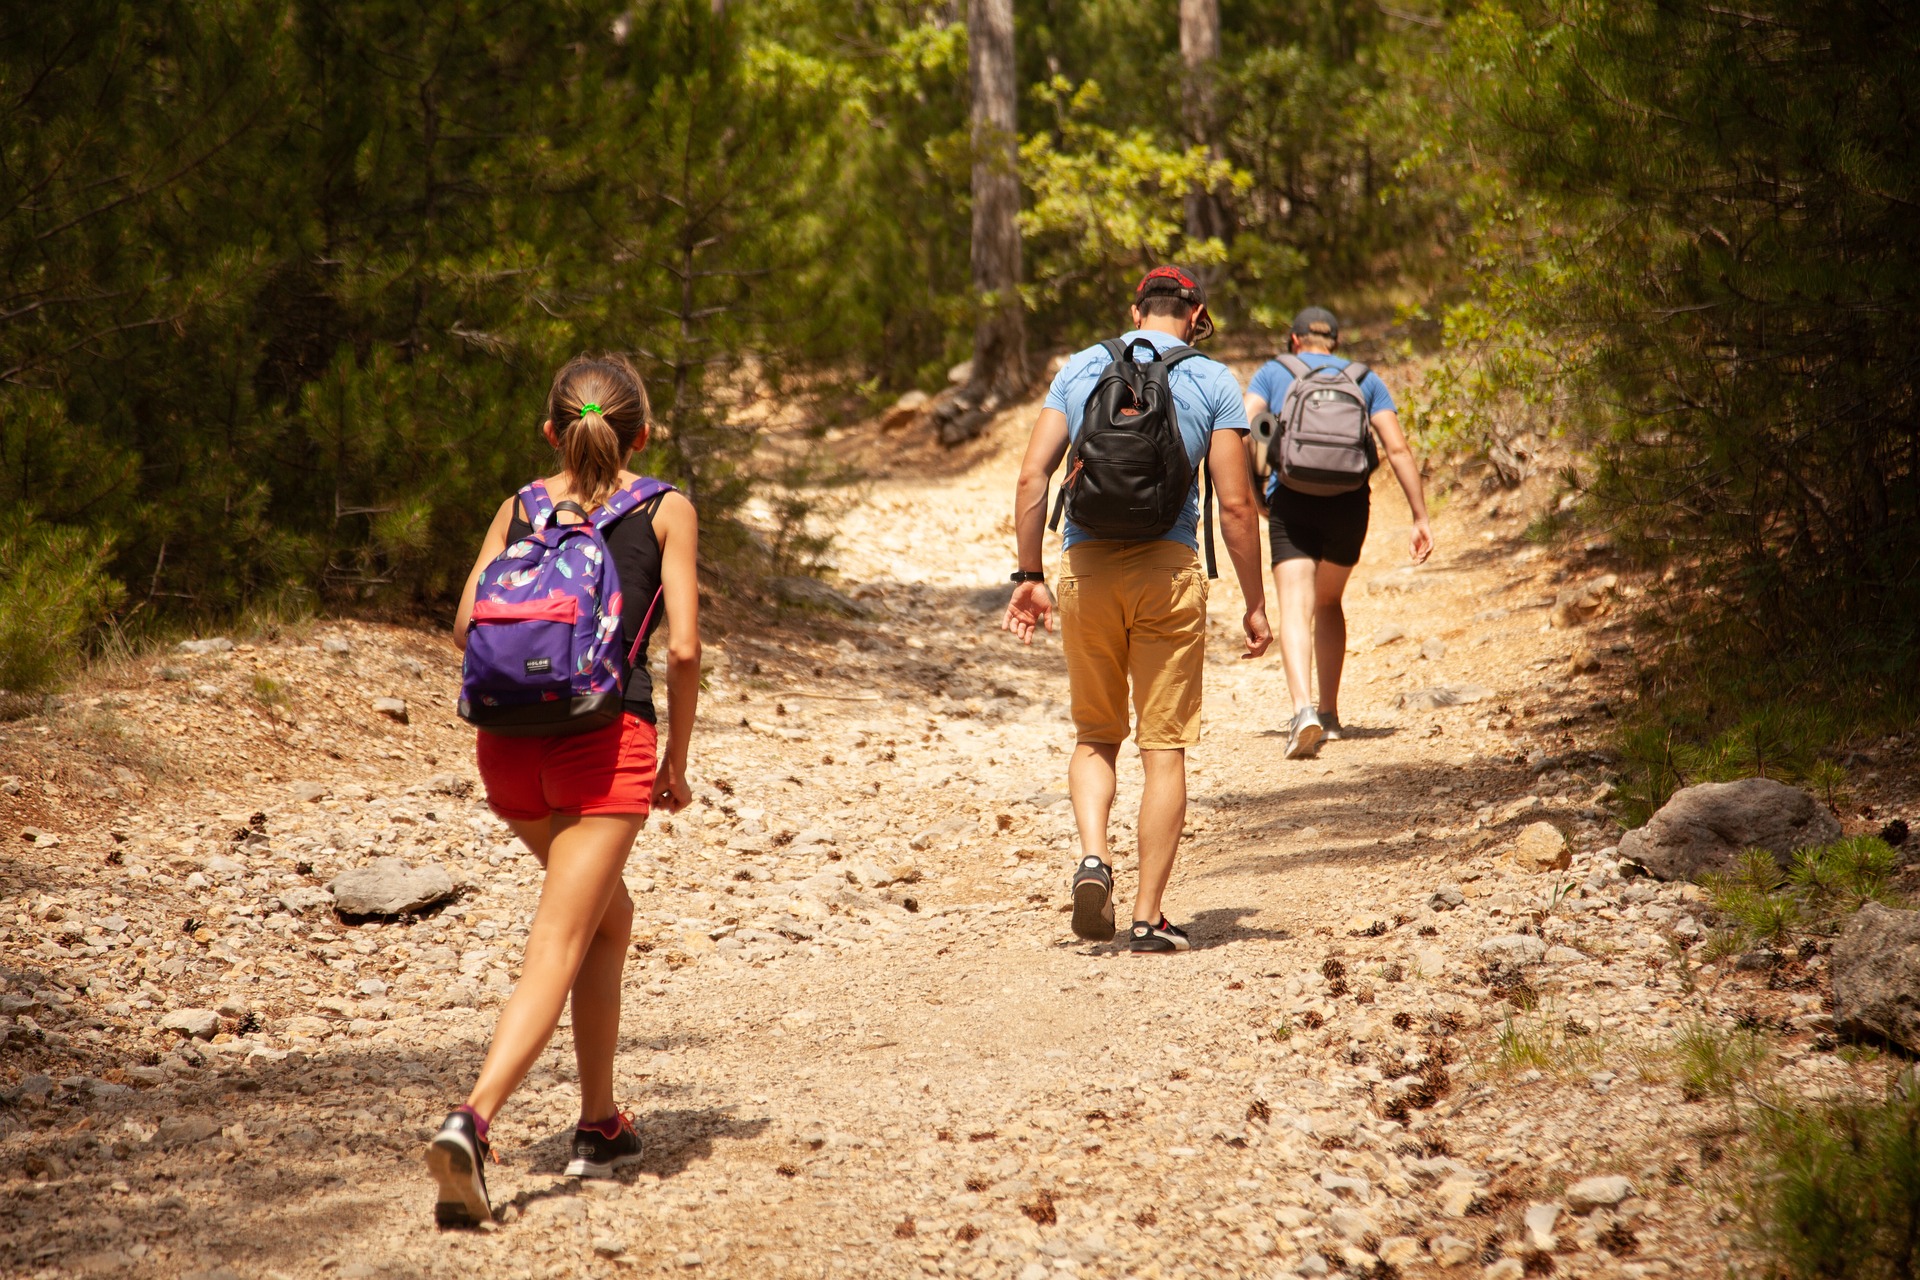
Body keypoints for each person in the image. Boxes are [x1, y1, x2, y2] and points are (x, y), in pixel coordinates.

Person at [429, 354, 700, 1226]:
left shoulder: (520, 505)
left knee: (608, 919)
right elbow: (685, 648)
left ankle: (599, 1124)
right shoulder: (666, 508)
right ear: (643, 435)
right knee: (560, 938)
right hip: (604, 741)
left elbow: (470, 621)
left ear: (552, 432)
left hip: (507, 752)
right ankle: (473, 1121)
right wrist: (675, 763)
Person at [1005, 267, 1270, 954]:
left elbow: (1034, 474)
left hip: (1087, 567)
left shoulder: (1085, 365)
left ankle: (1094, 858)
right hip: (1168, 570)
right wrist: (1255, 603)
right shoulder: (1213, 380)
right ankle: (1149, 917)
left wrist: (1030, 574)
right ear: (1196, 315)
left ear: (1134, 311)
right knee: (1163, 749)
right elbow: (1237, 505)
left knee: (1097, 734)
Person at [1245, 307, 1432, 760]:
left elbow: (1250, 428)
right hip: (1350, 503)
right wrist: (1420, 515)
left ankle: (1302, 710)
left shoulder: (1274, 372)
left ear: (1294, 340)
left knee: (1295, 605)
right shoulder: (1364, 378)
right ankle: (1329, 714)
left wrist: (1256, 487)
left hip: (1292, 498)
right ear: (1336, 341)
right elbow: (1397, 447)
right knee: (1329, 601)